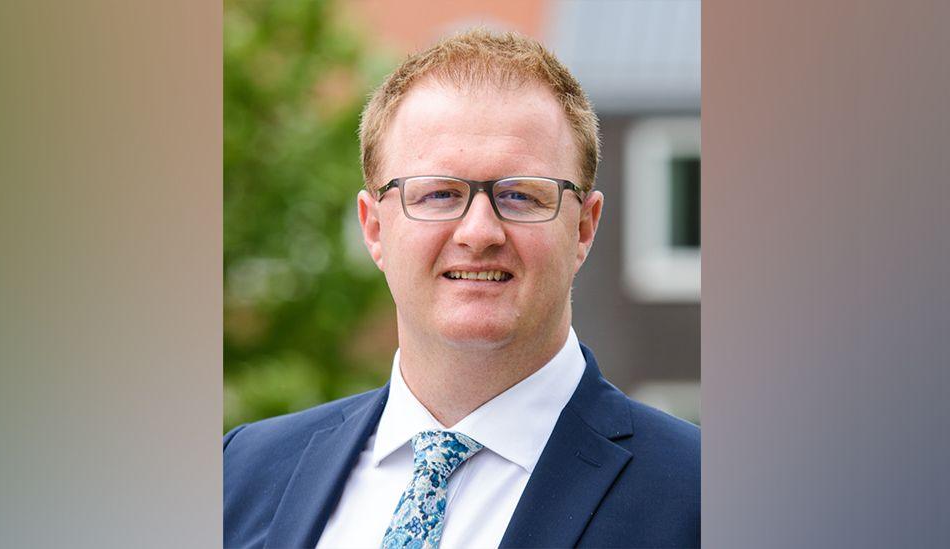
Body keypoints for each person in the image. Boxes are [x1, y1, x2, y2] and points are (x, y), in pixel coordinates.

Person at [224, 29, 700, 549]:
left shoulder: (700, 498)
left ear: (584, 228)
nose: (478, 233)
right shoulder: (240, 476)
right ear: (374, 228)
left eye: (520, 195)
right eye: (438, 193)